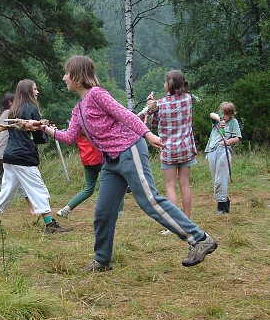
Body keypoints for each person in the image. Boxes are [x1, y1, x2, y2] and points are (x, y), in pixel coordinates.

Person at [28, 56, 218, 271]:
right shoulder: (78, 108)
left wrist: (147, 134)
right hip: (110, 161)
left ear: (78, 76)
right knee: (103, 211)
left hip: (130, 150)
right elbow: (69, 137)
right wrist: (41, 128)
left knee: (150, 201)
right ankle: (102, 261)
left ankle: (199, 239)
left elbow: (125, 115)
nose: (64, 78)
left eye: (66, 73)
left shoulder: (97, 94)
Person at [0, 79, 72, 234]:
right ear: (28, 91)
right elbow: (39, 138)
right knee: (38, 189)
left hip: (9, 155)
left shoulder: (14, 109)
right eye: (35, 89)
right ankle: (50, 224)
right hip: (23, 157)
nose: (37, 92)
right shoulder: (31, 108)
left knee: (6, 191)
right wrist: (48, 132)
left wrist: (43, 129)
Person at [145, 70, 197, 234]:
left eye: (165, 81)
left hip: (168, 150)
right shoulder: (188, 99)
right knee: (185, 184)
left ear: (169, 84)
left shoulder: (160, 104)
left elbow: (152, 123)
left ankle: (174, 225)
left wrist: (151, 107)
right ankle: (187, 222)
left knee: (170, 186)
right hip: (186, 148)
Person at [57, 133, 125, 219]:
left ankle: (65, 210)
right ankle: (119, 213)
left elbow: (66, 135)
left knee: (88, 189)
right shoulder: (92, 130)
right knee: (118, 183)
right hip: (99, 160)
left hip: (87, 162)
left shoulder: (76, 132)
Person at [205, 102, 242, 214]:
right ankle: (225, 202)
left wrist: (226, 142)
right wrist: (220, 119)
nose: (225, 116)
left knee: (221, 178)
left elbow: (238, 138)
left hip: (223, 150)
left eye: (227, 114)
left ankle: (221, 207)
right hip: (211, 150)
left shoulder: (233, 122)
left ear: (231, 114)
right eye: (223, 114)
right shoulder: (217, 119)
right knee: (215, 178)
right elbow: (211, 114)